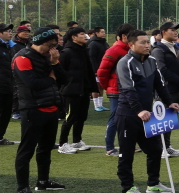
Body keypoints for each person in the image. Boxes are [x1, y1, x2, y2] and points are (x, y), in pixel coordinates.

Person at [114, 30, 179, 193]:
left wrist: (169, 102)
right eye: (142, 43)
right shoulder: (125, 62)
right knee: (127, 153)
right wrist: (139, 110)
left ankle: (153, 184)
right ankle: (127, 188)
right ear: (131, 45)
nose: (147, 46)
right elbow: (128, 90)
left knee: (156, 149)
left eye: (147, 42)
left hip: (148, 116)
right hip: (128, 115)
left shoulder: (151, 61)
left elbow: (159, 85)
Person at [12, 27, 68, 193]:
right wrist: (51, 78)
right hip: (32, 109)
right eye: (52, 46)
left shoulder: (48, 57)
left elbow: (64, 80)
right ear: (42, 43)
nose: (54, 50)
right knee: (26, 150)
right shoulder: (22, 57)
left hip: (51, 108)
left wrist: (55, 63)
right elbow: (32, 83)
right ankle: (22, 189)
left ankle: (43, 182)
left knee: (45, 149)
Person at [96, 23, 136, 157]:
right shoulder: (114, 50)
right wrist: (108, 87)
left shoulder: (131, 49)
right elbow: (102, 71)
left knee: (130, 119)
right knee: (115, 119)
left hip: (129, 90)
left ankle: (127, 145)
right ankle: (110, 147)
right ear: (124, 36)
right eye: (132, 35)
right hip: (116, 91)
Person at [57, 26, 98, 154]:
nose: (85, 36)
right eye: (81, 34)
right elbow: (59, 71)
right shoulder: (66, 52)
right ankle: (62, 144)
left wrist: (92, 87)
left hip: (83, 90)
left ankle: (77, 141)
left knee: (81, 117)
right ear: (73, 37)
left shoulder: (84, 50)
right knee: (70, 117)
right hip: (71, 91)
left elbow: (89, 71)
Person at [149, 22, 179, 157]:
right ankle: (160, 147)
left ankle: (167, 146)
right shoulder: (158, 49)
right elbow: (161, 69)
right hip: (164, 89)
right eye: (172, 30)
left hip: (175, 88)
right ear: (163, 32)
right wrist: (178, 80)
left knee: (170, 119)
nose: (176, 32)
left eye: (176, 30)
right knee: (161, 119)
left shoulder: (175, 47)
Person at [87, 26, 109, 111]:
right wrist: (95, 70)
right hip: (97, 70)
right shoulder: (93, 44)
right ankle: (96, 105)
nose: (104, 33)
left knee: (101, 87)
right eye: (102, 32)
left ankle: (100, 104)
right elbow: (92, 58)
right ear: (97, 33)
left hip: (104, 68)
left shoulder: (105, 43)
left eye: (104, 32)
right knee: (96, 86)